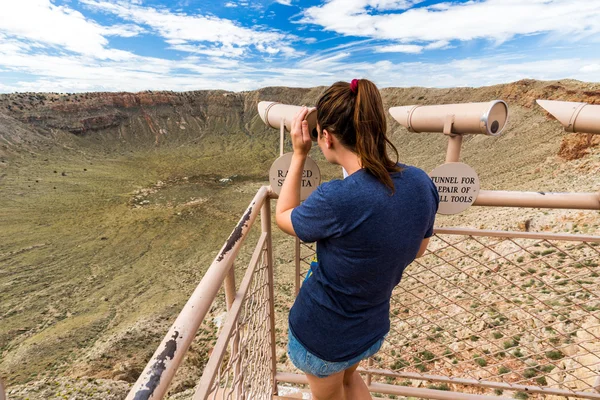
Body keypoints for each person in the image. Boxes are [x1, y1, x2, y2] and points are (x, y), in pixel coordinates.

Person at [275, 79, 439, 400]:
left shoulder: (338, 198)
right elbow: (418, 249)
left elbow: (284, 216)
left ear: (325, 136)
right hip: (370, 325)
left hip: (323, 335)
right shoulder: (420, 182)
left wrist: (298, 154)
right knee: (350, 380)